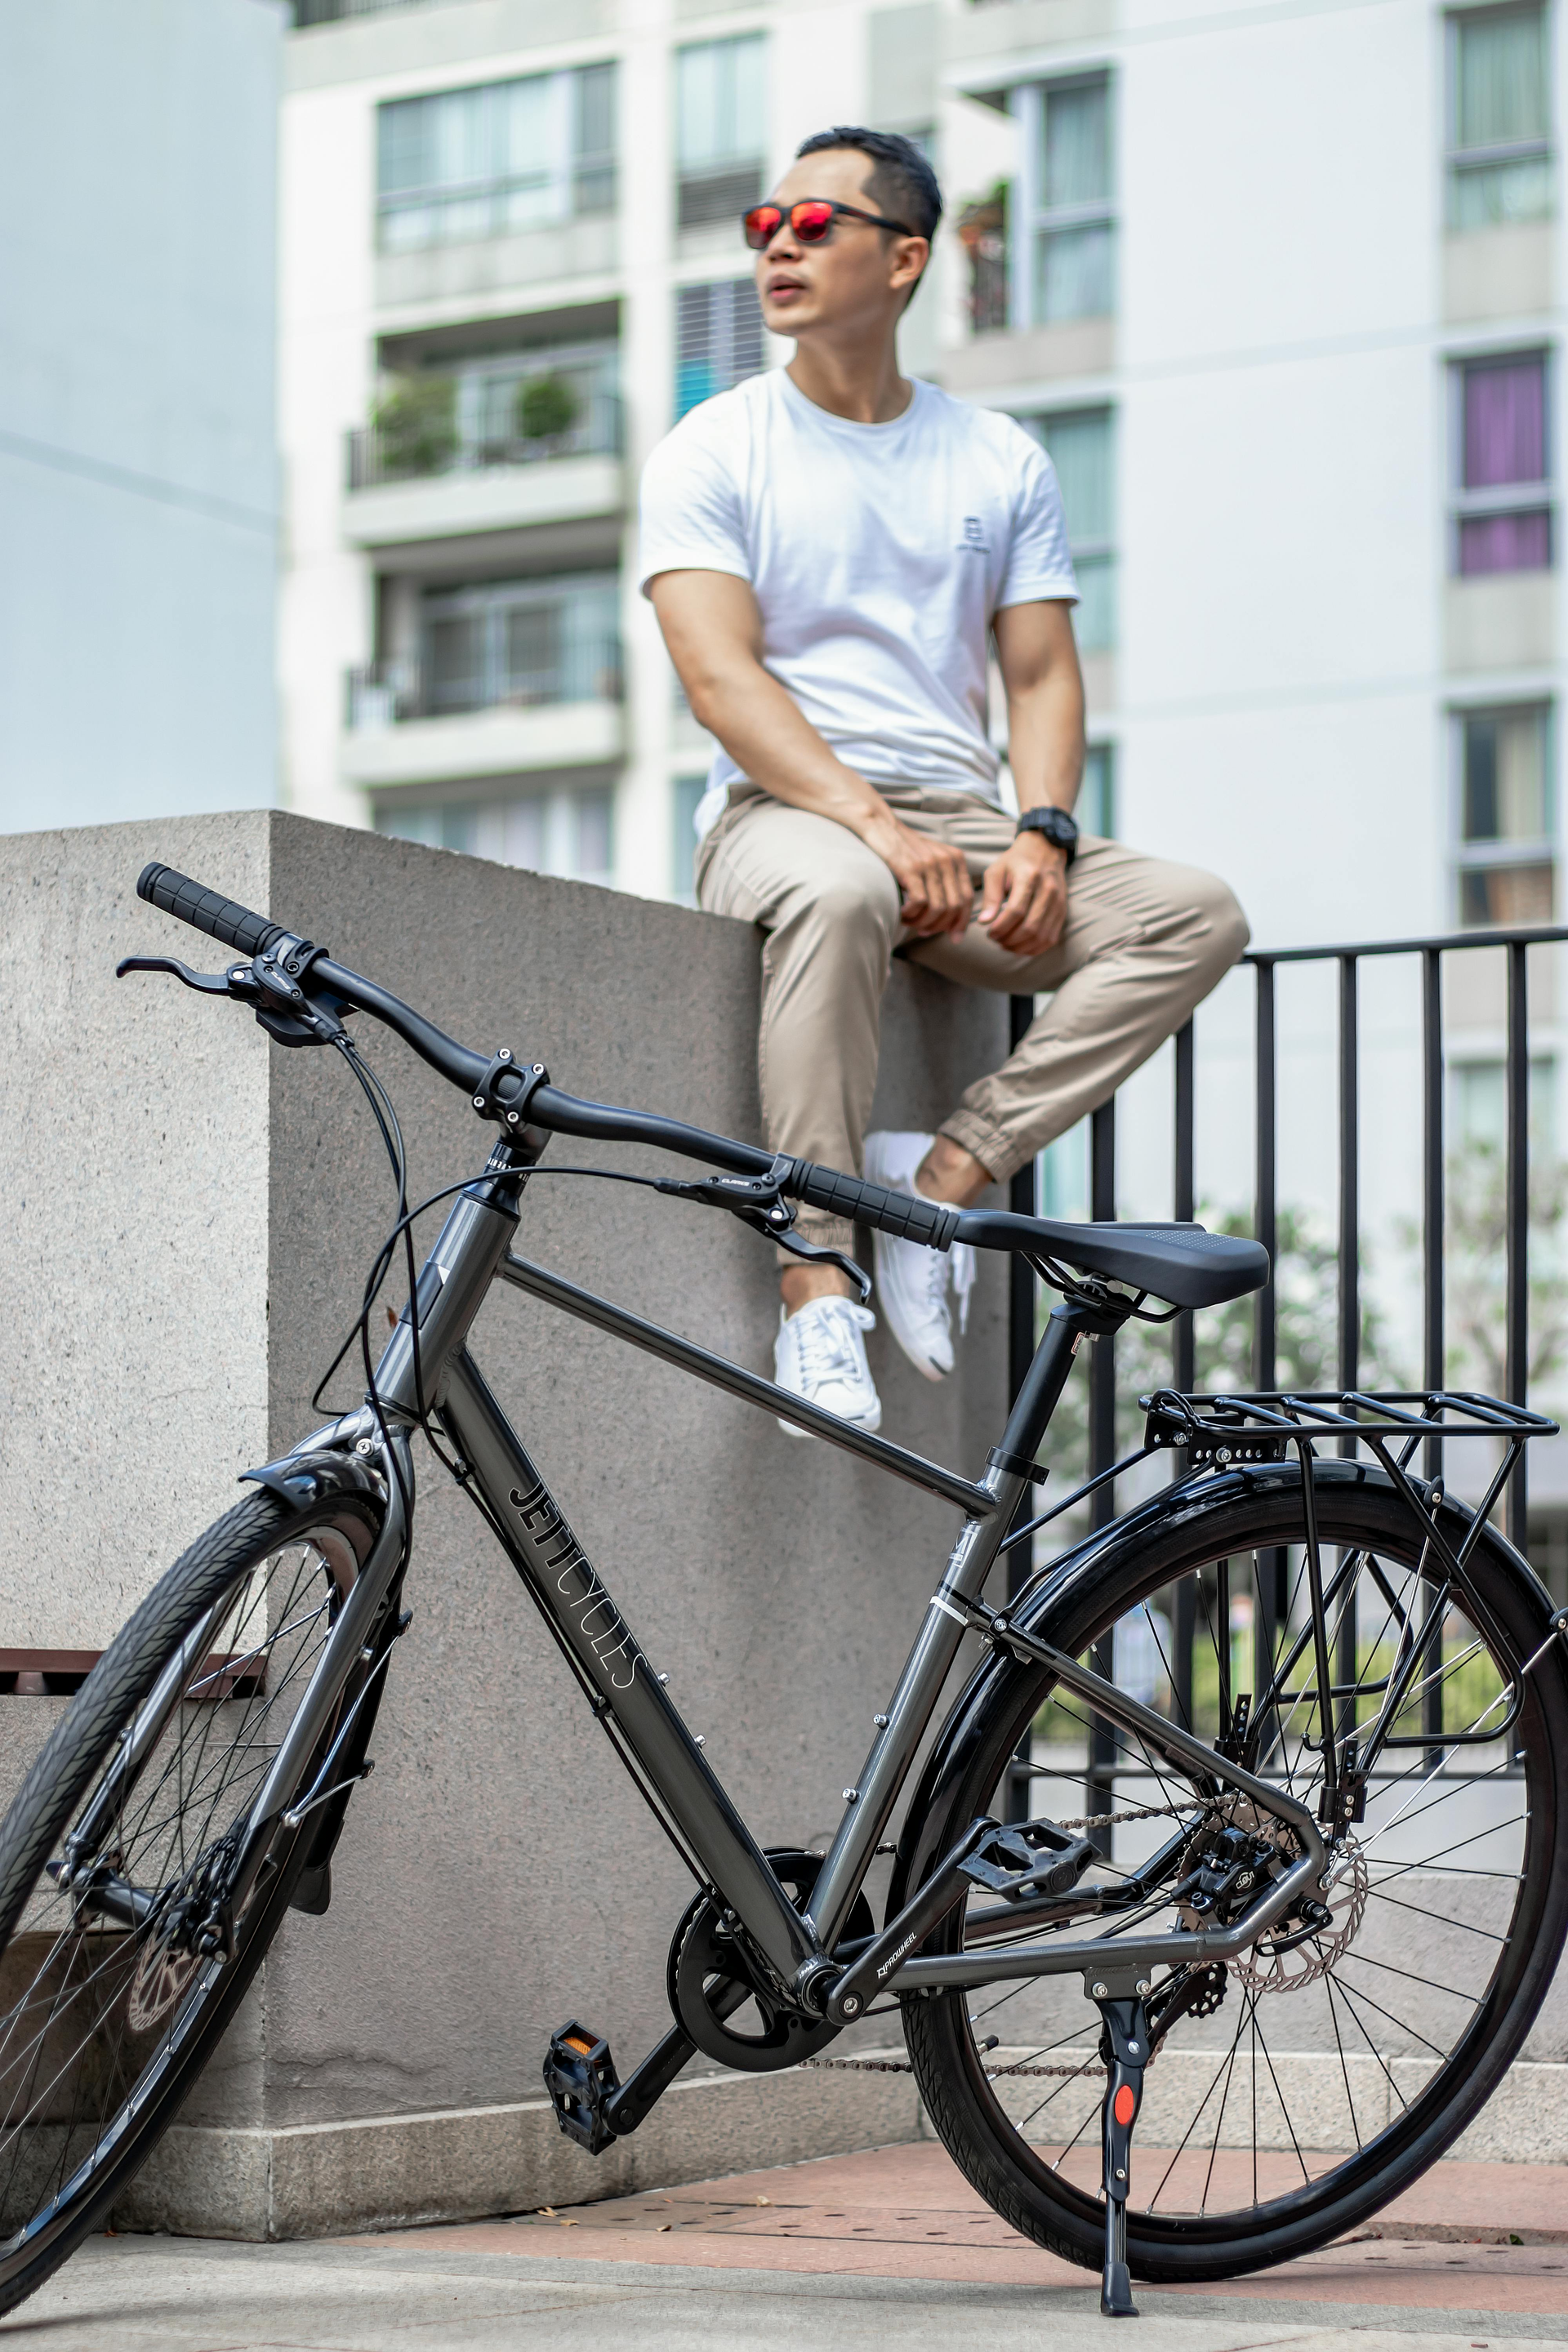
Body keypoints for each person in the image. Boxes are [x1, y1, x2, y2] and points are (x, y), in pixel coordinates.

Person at [640, 127, 1248, 1434]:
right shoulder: (715, 445)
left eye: (818, 225)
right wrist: (866, 823)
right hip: (785, 815)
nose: (780, 247)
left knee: (1195, 914)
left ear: (905, 259)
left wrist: (1040, 835)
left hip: (964, 828)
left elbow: (1040, 677)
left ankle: (945, 1181)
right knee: (847, 894)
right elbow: (721, 679)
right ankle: (817, 1283)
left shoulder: (997, 457)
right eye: (768, 226)